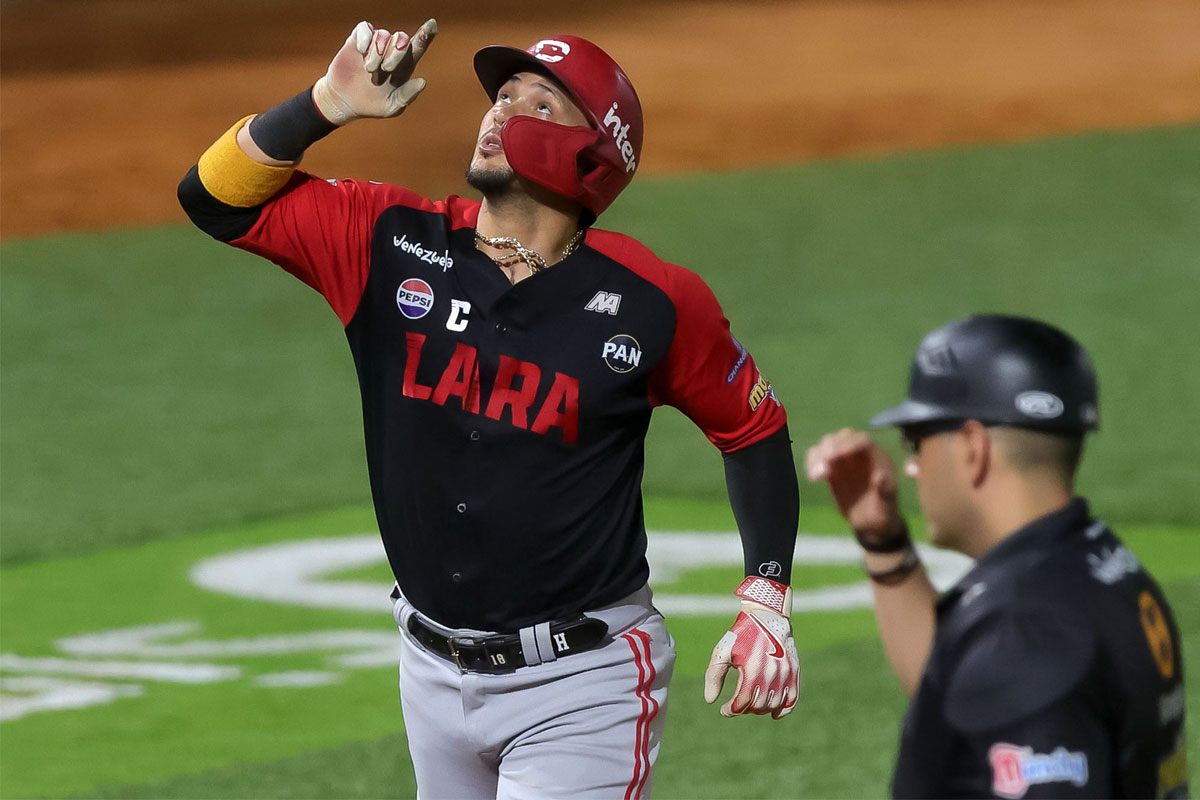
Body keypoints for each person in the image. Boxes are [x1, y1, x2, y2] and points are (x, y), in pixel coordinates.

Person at [177, 19, 802, 799]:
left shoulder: (654, 302)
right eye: (502, 95)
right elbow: (211, 199)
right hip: (429, 672)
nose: (501, 112)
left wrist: (765, 597)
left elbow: (751, 427)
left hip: (586, 684)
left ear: (596, 155)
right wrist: (326, 103)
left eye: (539, 103)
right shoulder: (388, 241)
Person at [805, 314, 1188, 798]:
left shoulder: (1027, 630)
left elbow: (1009, 672)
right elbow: (962, 692)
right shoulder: (1098, 564)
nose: (912, 467)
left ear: (973, 446)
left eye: (916, 441)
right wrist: (884, 541)